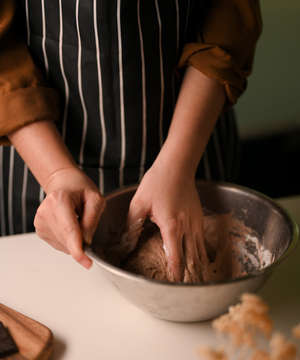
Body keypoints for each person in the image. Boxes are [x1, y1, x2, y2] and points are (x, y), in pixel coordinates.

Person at [0, 0, 262, 281]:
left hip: (194, 147)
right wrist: (56, 174)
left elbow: (229, 17)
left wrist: (177, 165)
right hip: (37, 160)